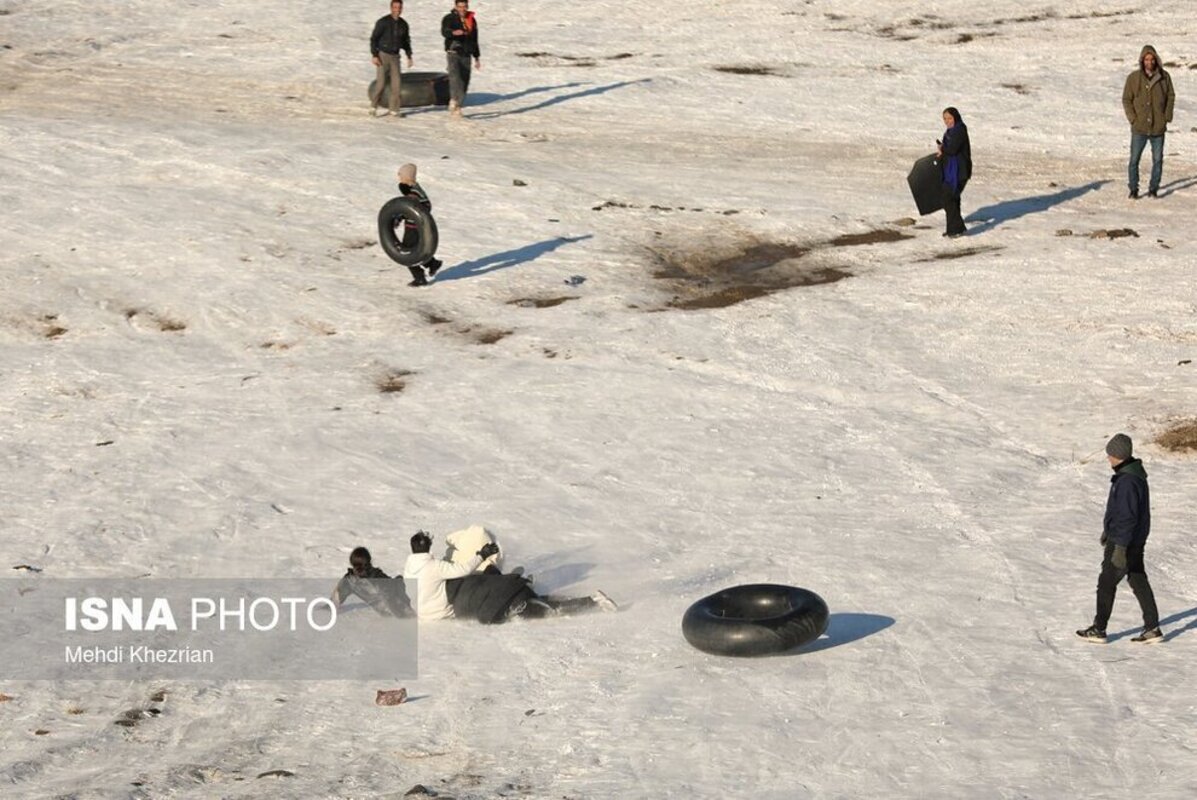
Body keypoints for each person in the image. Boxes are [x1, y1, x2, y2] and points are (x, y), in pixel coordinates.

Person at [403, 530, 617, 623]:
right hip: (445, 609)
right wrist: (482, 555)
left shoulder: (409, 565)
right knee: (547, 609)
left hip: (429, 610)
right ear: (427, 547)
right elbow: (463, 570)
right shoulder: (435, 567)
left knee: (541, 605)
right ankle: (594, 602)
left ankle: (511, 581)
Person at [1076, 434, 1163, 644]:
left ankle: (1099, 629)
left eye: (1110, 455)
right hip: (1133, 540)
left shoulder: (1127, 481)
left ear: (1119, 455)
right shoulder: (1133, 476)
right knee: (1138, 579)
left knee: (1106, 582)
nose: (1108, 459)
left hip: (1124, 542)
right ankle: (1152, 628)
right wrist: (1109, 530)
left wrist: (1120, 546)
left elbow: (1127, 516)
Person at [1122, 44, 1176, 199]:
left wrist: (1167, 115)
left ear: (1156, 60)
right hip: (1139, 127)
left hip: (1158, 127)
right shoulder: (1133, 78)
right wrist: (1133, 118)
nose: (1149, 62)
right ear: (1142, 60)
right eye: (1146, 59)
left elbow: (1171, 96)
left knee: (1158, 160)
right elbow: (1126, 99)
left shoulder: (1164, 77)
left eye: (1152, 59)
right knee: (1134, 161)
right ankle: (1133, 189)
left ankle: (1153, 189)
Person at [331, 546, 413, 617]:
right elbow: (393, 588)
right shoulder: (377, 575)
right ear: (369, 561)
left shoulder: (350, 580)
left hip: (385, 612)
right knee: (399, 579)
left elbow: (336, 598)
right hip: (403, 610)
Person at [396, 163, 442, 286]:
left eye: (401, 176)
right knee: (415, 250)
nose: (399, 179)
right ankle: (432, 263)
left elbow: (413, 207)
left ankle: (420, 277)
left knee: (407, 253)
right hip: (415, 226)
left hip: (413, 227)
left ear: (406, 177)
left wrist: (399, 217)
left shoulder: (414, 193)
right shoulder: (414, 189)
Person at [369, 0, 414, 118]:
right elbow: (374, 39)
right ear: (391, 8)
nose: (397, 10)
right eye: (395, 7)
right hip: (383, 55)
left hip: (395, 56)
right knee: (381, 83)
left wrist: (409, 55)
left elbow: (406, 41)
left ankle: (394, 109)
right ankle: (373, 106)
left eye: (399, 7)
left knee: (397, 84)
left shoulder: (403, 24)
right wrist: (375, 55)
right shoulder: (383, 22)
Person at [441, 0, 481, 117]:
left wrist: (477, 56)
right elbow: (444, 31)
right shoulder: (449, 18)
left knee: (465, 79)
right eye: (460, 7)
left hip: (466, 53)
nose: (462, 9)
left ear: (467, 7)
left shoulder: (471, 20)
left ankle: (458, 106)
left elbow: (475, 39)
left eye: (464, 7)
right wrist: (454, 32)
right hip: (453, 52)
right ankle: (453, 99)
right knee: (455, 77)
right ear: (455, 7)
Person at [936, 107, 971, 238]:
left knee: (949, 198)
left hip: (959, 171)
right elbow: (948, 149)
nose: (947, 121)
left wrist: (943, 148)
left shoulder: (960, 130)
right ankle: (956, 228)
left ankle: (955, 229)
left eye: (949, 118)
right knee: (951, 199)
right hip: (951, 171)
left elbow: (953, 149)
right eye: (945, 119)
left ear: (955, 117)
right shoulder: (950, 132)